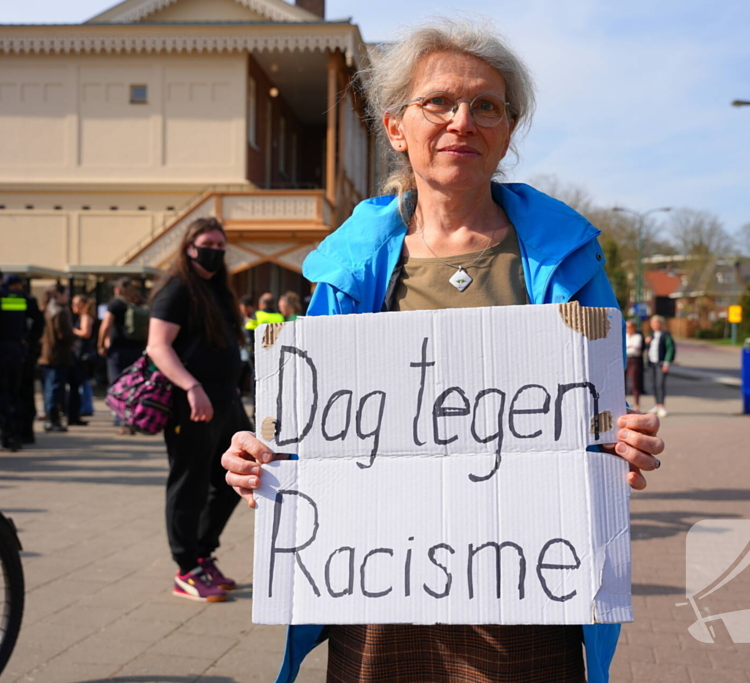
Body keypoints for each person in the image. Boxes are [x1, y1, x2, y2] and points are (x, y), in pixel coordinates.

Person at [220, 19, 664, 683]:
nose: (464, 120)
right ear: (397, 127)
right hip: (375, 591)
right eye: (441, 103)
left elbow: (598, 418)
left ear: (508, 131)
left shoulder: (566, 258)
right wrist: (261, 458)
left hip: (527, 591)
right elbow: (303, 430)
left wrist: (623, 441)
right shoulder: (350, 266)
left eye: (487, 105)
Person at [146, 216, 251, 603]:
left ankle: (204, 553)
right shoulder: (177, 289)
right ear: (189, 246)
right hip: (191, 403)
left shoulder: (217, 290)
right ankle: (185, 568)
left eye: (222, 246)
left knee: (235, 478)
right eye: (209, 243)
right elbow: (158, 346)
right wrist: (191, 386)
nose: (216, 251)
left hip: (226, 400)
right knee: (188, 484)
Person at [0, 270, 38, 451]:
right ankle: (17, 434)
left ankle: (6, 438)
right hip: (18, 350)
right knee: (16, 395)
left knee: (0, 396)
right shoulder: (21, 298)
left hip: (0, 351)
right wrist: (27, 339)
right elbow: (36, 321)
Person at [98, 278, 148, 434]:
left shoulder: (116, 304)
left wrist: (100, 343)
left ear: (118, 290)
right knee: (136, 385)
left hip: (118, 351)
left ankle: (124, 421)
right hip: (137, 349)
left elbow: (106, 324)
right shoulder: (138, 302)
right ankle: (137, 419)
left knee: (119, 386)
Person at [11, 275, 45, 444]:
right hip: (26, 352)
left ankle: (22, 430)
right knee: (25, 392)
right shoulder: (26, 300)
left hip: (21, 353)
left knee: (20, 393)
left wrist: (26, 339)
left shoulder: (21, 300)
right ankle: (25, 431)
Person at [38, 284, 75, 433]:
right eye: (66, 294)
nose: (68, 298)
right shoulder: (59, 312)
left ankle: (51, 417)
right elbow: (64, 334)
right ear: (57, 295)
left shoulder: (47, 309)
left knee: (50, 388)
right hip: (57, 355)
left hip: (48, 355)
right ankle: (52, 419)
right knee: (54, 389)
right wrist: (74, 337)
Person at [68, 294, 96, 426]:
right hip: (81, 352)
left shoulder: (86, 316)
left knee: (82, 382)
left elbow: (86, 333)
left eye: (75, 303)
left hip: (83, 353)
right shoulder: (83, 316)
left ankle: (85, 407)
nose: (73, 306)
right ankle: (84, 407)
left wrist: (72, 330)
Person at [644, 315, 675, 417]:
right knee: (653, 385)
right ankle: (657, 404)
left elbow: (670, 349)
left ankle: (661, 406)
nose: (655, 325)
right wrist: (646, 343)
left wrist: (667, 362)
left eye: (657, 323)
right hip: (651, 363)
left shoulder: (665, 335)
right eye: (653, 323)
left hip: (661, 364)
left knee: (660, 384)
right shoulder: (651, 335)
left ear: (661, 324)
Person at [625, 318, 645, 412]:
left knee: (634, 382)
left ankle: (636, 404)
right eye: (627, 327)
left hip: (634, 360)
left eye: (629, 327)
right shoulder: (624, 336)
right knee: (622, 383)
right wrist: (629, 346)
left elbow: (636, 348)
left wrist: (628, 347)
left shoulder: (638, 336)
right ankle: (622, 403)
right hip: (624, 359)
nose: (628, 329)